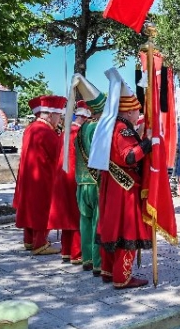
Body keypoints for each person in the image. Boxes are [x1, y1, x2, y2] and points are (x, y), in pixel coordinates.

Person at [90, 69, 152, 288]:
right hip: (124, 188)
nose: (138, 115)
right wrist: (149, 143)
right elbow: (129, 156)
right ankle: (122, 276)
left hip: (111, 184)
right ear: (129, 112)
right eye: (137, 111)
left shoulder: (111, 126)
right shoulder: (123, 129)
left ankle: (108, 271)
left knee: (110, 228)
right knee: (126, 229)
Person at [13, 95, 67, 255]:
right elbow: (59, 154)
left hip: (29, 176)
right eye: (59, 116)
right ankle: (40, 243)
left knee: (30, 208)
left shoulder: (31, 128)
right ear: (51, 115)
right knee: (42, 209)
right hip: (43, 177)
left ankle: (29, 240)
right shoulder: (45, 131)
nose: (60, 119)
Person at [48, 100, 92, 264]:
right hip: (73, 178)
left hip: (62, 177)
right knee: (76, 214)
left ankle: (66, 251)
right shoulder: (78, 132)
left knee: (67, 214)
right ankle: (76, 252)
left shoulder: (66, 131)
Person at [72, 74, 107, 276]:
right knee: (97, 222)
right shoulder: (98, 128)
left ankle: (86, 259)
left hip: (81, 182)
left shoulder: (83, 126)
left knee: (84, 220)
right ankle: (97, 262)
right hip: (96, 182)